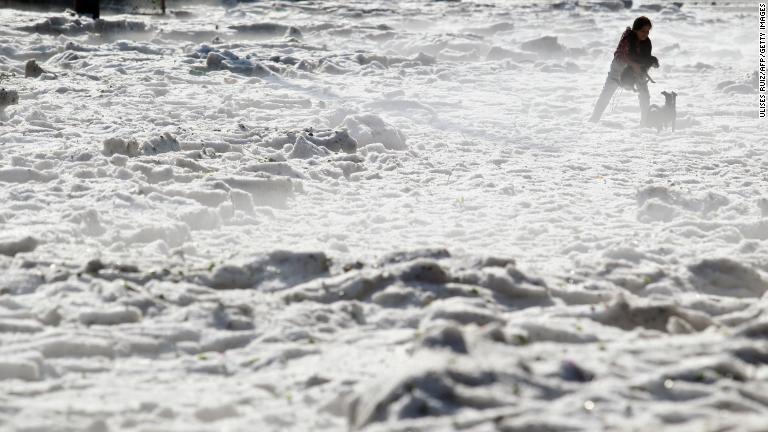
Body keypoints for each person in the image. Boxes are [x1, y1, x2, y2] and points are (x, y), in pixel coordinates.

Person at [589, 16, 660, 125]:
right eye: (643, 31)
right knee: (607, 93)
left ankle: (645, 123)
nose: (645, 34)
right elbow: (620, 56)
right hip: (619, 68)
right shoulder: (628, 38)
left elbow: (645, 58)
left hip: (637, 69)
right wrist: (633, 65)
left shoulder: (647, 42)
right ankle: (593, 120)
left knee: (644, 94)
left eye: (647, 32)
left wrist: (650, 62)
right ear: (635, 29)